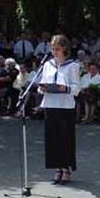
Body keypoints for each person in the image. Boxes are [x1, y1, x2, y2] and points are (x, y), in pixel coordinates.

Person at [39, 35, 80, 185]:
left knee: (64, 139)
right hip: (50, 104)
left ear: (64, 49)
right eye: (52, 49)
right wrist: (42, 88)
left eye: (57, 49)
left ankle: (66, 168)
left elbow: (77, 88)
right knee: (52, 139)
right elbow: (42, 84)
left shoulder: (72, 66)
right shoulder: (47, 64)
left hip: (65, 106)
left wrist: (66, 88)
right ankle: (57, 167)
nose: (54, 52)